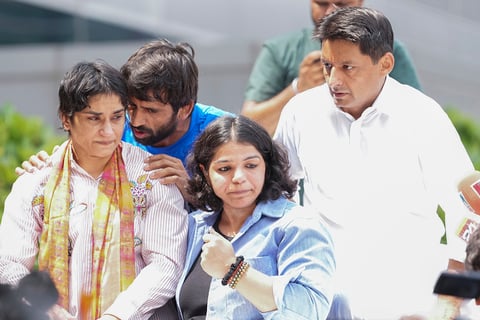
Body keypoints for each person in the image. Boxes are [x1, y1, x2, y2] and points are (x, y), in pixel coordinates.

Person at [274, 6, 476, 319]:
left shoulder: (424, 117)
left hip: (411, 300)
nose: (333, 80)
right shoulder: (301, 112)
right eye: (328, 66)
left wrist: (450, 298)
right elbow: (275, 189)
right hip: (325, 297)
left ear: (386, 63)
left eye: (347, 67)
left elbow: (468, 209)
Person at [0, 60, 188, 319]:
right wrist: (48, 309)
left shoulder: (151, 177)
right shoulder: (35, 182)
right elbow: (8, 262)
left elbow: (166, 264)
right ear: (66, 118)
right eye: (94, 118)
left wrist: (118, 315)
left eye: (117, 117)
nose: (108, 131)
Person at [16, 38, 233, 202]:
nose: (135, 120)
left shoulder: (227, 135)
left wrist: (192, 191)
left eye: (151, 110)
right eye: (130, 106)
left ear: (185, 109)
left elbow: (254, 207)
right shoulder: (116, 127)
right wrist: (43, 170)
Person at [173, 115, 336, 319]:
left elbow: (310, 309)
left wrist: (234, 270)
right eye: (225, 169)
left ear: (266, 166)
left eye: (251, 166)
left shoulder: (297, 225)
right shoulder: (193, 225)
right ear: (205, 172)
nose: (239, 178)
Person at [241, 0, 422, 136]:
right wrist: (297, 88)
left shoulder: (387, 49)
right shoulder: (279, 50)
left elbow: (415, 119)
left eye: (349, 67)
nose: (330, 11)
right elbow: (249, 128)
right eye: (321, 3)